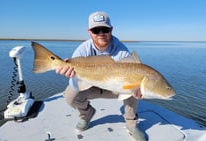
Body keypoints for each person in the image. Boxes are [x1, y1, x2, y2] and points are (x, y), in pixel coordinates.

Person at [56, 11, 146, 141]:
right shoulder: (82, 49)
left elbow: (132, 78)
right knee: (70, 95)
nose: (101, 34)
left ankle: (131, 123)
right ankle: (86, 115)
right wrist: (70, 75)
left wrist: (139, 90)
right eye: (96, 30)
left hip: (113, 87)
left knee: (133, 88)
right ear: (89, 32)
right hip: (91, 85)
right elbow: (75, 83)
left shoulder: (122, 51)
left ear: (111, 30)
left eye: (105, 29)